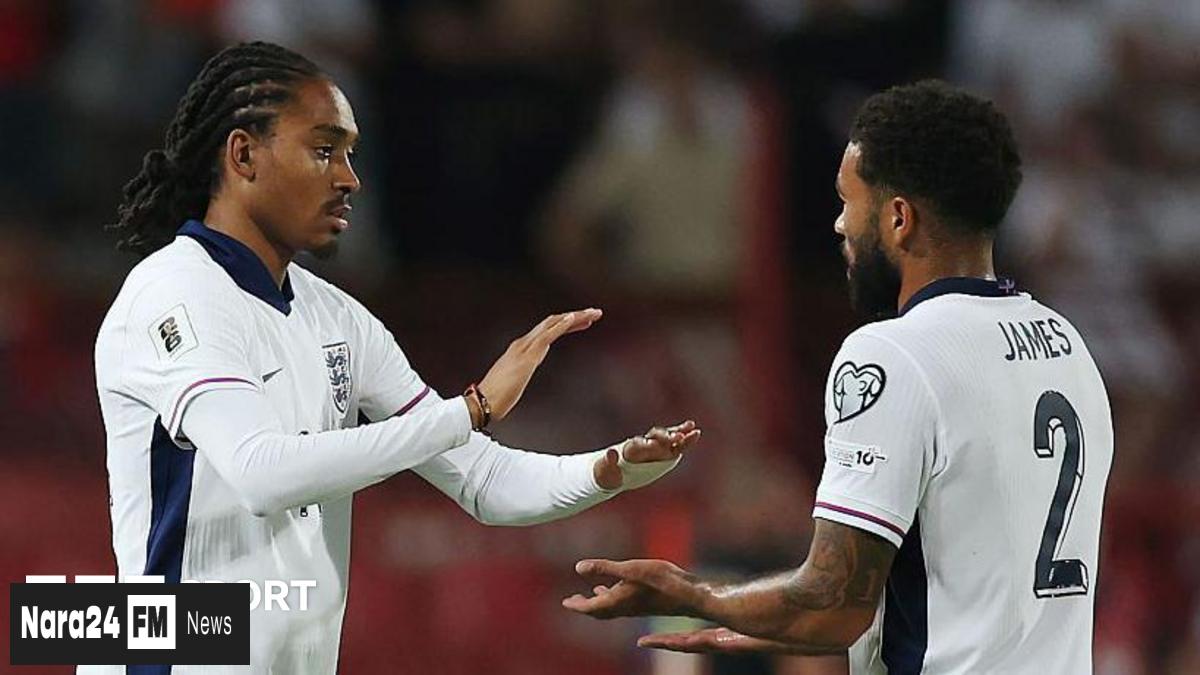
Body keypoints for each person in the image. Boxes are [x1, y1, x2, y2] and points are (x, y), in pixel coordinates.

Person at [91, 41, 701, 674]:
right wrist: (471, 407)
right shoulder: (174, 292)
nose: (349, 177)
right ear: (244, 154)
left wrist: (609, 469)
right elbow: (260, 473)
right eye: (324, 149)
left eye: (351, 153)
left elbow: (483, 482)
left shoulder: (338, 319)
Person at [563, 80, 1113, 674]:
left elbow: (832, 601)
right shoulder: (1065, 343)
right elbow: (968, 579)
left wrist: (693, 596)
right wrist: (779, 622)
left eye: (849, 201)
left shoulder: (892, 355)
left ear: (899, 218)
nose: (838, 224)